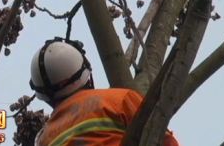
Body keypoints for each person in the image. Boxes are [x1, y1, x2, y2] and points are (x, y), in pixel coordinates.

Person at [30, 37, 180, 146]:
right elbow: (164, 139)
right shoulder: (119, 100)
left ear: (45, 98)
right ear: (85, 74)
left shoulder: (44, 139)